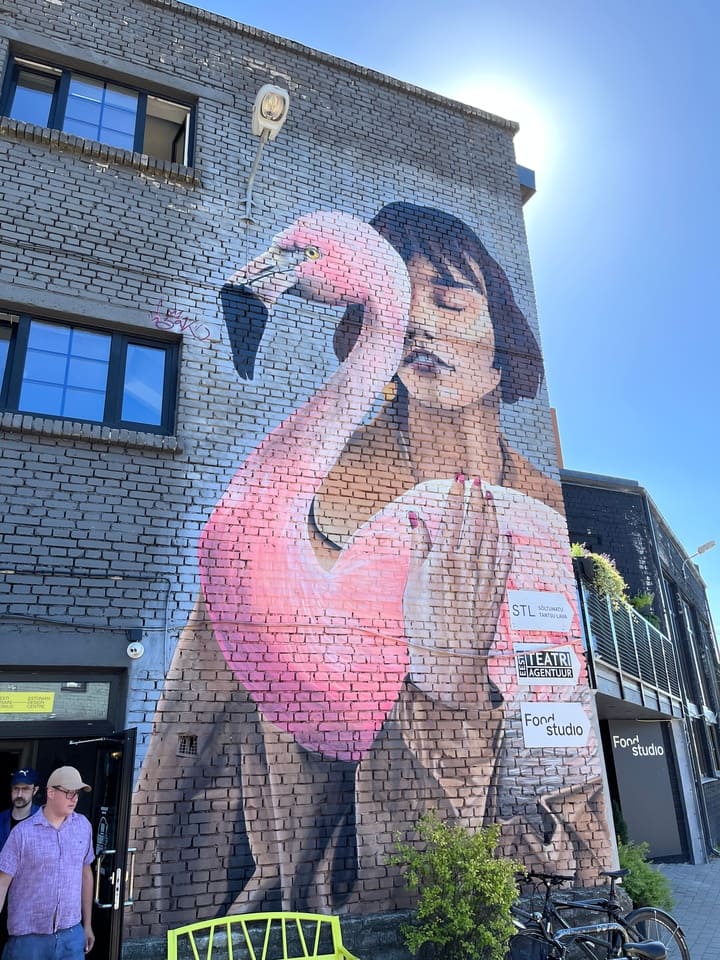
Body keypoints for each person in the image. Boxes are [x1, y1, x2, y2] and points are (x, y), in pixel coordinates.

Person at [130, 203, 609, 931]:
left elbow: (570, 823)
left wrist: (453, 686)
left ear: (502, 342)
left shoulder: (530, 524)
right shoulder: (291, 532)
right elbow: (184, 789)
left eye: (449, 301)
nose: (419, 325)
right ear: (371, 329)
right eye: (404, 308)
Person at [0, 766, 95, 959]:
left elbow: (86, 874)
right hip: (28, 938)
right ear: (51, 792)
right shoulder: (22, 833)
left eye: (77, 793)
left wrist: (87, 925)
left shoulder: (83, 827)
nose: (74, 798)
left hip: (71, 934)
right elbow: (2, 882)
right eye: (69, 792)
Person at [0, 769, 41, 954]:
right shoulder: (1, 818)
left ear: (35, 790)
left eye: (25, 789)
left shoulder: (42, 819)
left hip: (29, 898)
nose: (19, 794)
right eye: (16, 788)